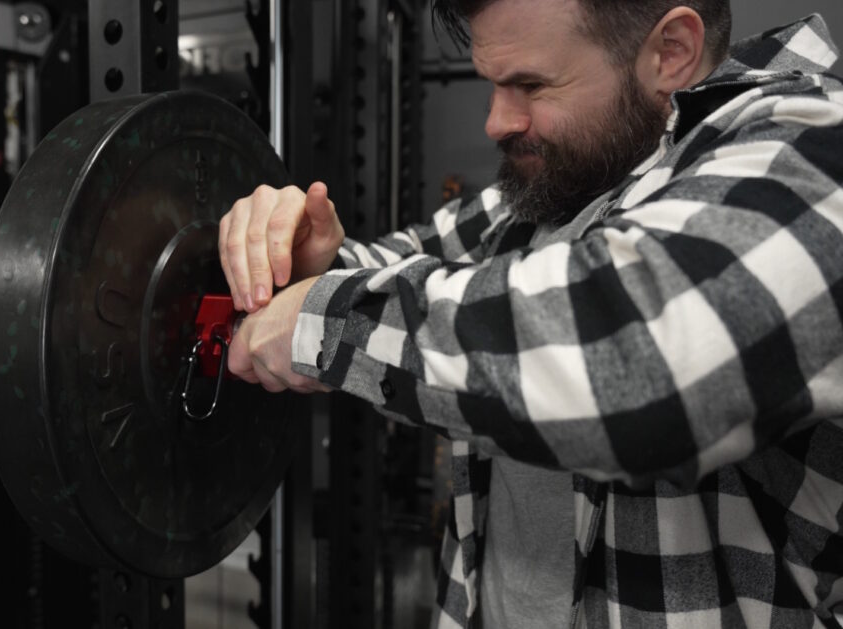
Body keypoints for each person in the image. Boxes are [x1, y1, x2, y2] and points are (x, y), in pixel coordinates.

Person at [218, 0, 843, 626]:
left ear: (671, 50)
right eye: (494, 84)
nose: (497, 121)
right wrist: (298, 261)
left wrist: (319, 320)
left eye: (532, 85)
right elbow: (401, 271)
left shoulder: (812, 151)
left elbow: (633, 365)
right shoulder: (561, 184)